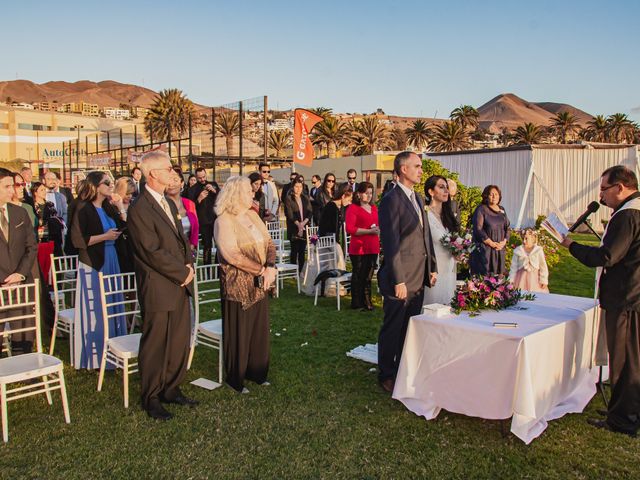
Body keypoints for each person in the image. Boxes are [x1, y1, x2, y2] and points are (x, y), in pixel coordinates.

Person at [560, 165, 640, 437]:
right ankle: (624, 411)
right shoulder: (630, 211)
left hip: (626, 298)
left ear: (620, 187)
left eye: (604, 189)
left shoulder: (628, 214)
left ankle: (623, 420)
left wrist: (572, 245)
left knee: (624, 361)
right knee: (628, 359)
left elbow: (608, 256)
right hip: (630, 295)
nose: (601, 195)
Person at [127, 151, 197, 420]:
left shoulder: (167, 202)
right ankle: (152, 396)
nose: (173, 174)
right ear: (153, 174)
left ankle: (171, 387)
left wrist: (188, 264)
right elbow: (150, 250)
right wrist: (182, 272)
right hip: (158, 285)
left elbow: (181, 240)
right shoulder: (140, 208)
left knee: (178, 339)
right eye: (169, 169)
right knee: (156, 342)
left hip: (179, 282)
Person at [377, 151, 438, 393]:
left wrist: (430, 268)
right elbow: (391, 244)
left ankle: (403, 367)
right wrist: (398, 280)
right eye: (417, 166)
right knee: (393, 326)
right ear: (403, 169)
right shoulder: (391, 200)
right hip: (400, 278)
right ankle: (386, 374)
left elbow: (425, 236)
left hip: (419, 275)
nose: (421, 170)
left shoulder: (418, 197)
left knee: (409, 326)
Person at [213, 176, 277, 393]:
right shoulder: (223, 220)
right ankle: (235, 378)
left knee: (258, 329)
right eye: (249, 190)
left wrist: (271, 266)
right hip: (237, 286)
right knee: (239, 332)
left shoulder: (252, 214)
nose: (253, 193)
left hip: (261, 282)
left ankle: (257, 372)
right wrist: (261, 270)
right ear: (236, 194)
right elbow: (232, 255)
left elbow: (269, 242)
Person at [70, 171, 129, 370]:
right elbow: (78, 241)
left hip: (112, 259)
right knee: (97, 307)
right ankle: (95, 355)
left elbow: (125, 226)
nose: (111, 185)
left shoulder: (108, 207)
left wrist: (120, 206)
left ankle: (115, 349)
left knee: (112, 302)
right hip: (94, 262)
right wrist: (104, 237)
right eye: (106, 182)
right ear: (95, 186)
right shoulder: (82, 208)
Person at [0, 168, 38, 355]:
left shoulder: (20, 213)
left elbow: (31, 246)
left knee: (22, 333)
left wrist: (19, 274)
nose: (12, 191)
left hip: (20, 283)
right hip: (1, 283)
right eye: (7, 186)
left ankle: (26, 373)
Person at [422, 175, 459, 306]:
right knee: (432, 306)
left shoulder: (448, 215)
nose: (446, 191)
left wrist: (459, 250)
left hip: (450, 266)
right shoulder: (424, 214)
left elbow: (455, 239)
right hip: (433, 268)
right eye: (441, 187)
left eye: (447, 188)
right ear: (431, 192)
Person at [345, 181, 380, 311]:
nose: (369, 196)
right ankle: (357, 303)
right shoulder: (353, 208)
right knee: (359, 275)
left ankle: (367, 301)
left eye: (371, 193)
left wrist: (378, 231)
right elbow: (350, 229)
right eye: (366, 193)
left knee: (368, 276)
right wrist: (369, 231)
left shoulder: (374, 208)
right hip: (358, 248)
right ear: (359, 194)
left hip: (373, 246)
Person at [469, 185, 510, 276]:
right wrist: (491, 243)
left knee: (498, 279)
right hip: (485, 250)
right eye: (491, 194)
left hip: (499, 249)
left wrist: (504, 242)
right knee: (484, 280)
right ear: (486, 196)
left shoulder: (502, 209)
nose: (494, 196)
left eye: (496, 194)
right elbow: (478, 229)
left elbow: (507, 227)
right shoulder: (481, 209)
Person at [187, 167, 219, 264]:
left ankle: (218, 268)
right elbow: (190, 207)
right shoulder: (192, 189)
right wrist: (199, 199)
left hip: (215, 219)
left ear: (206, 174)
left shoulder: (214, 184)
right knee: (207, 246)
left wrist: (214, 191)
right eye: (200, 178)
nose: (202, 179)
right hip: (203, 222)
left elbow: (222, 197)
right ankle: (207, 269)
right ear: (196, 177)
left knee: (219, 244)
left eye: (204, 177)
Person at [167, 168, 199, 255]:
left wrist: (191, 247)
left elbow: (195, 227)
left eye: (175, 180)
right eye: (168, 180)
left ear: (182, 183)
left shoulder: (189, 203)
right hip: (168, 253)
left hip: (188, 252)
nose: (171, 184)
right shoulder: (160, 204)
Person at [284, 175, 312, 273]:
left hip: (304, 228)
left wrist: (303, 224)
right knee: (294, 251)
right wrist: (298, 225)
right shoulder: (288, 198)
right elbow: (289, 214)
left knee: (301, 252)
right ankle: (292, 271)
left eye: (300, 186)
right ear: (293, 187)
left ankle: (300, 271)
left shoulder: (305, 198)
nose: (298, 189)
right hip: (294, 228)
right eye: (296, 186)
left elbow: (310, 212)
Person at [32, 181, 64, 257]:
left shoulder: (50, 204)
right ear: (35, 192)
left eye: (44, 190)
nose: (44, 192)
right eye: (41, 190)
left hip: (53, 236)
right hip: (40, 237)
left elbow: (56, 217)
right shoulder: (32, 206)